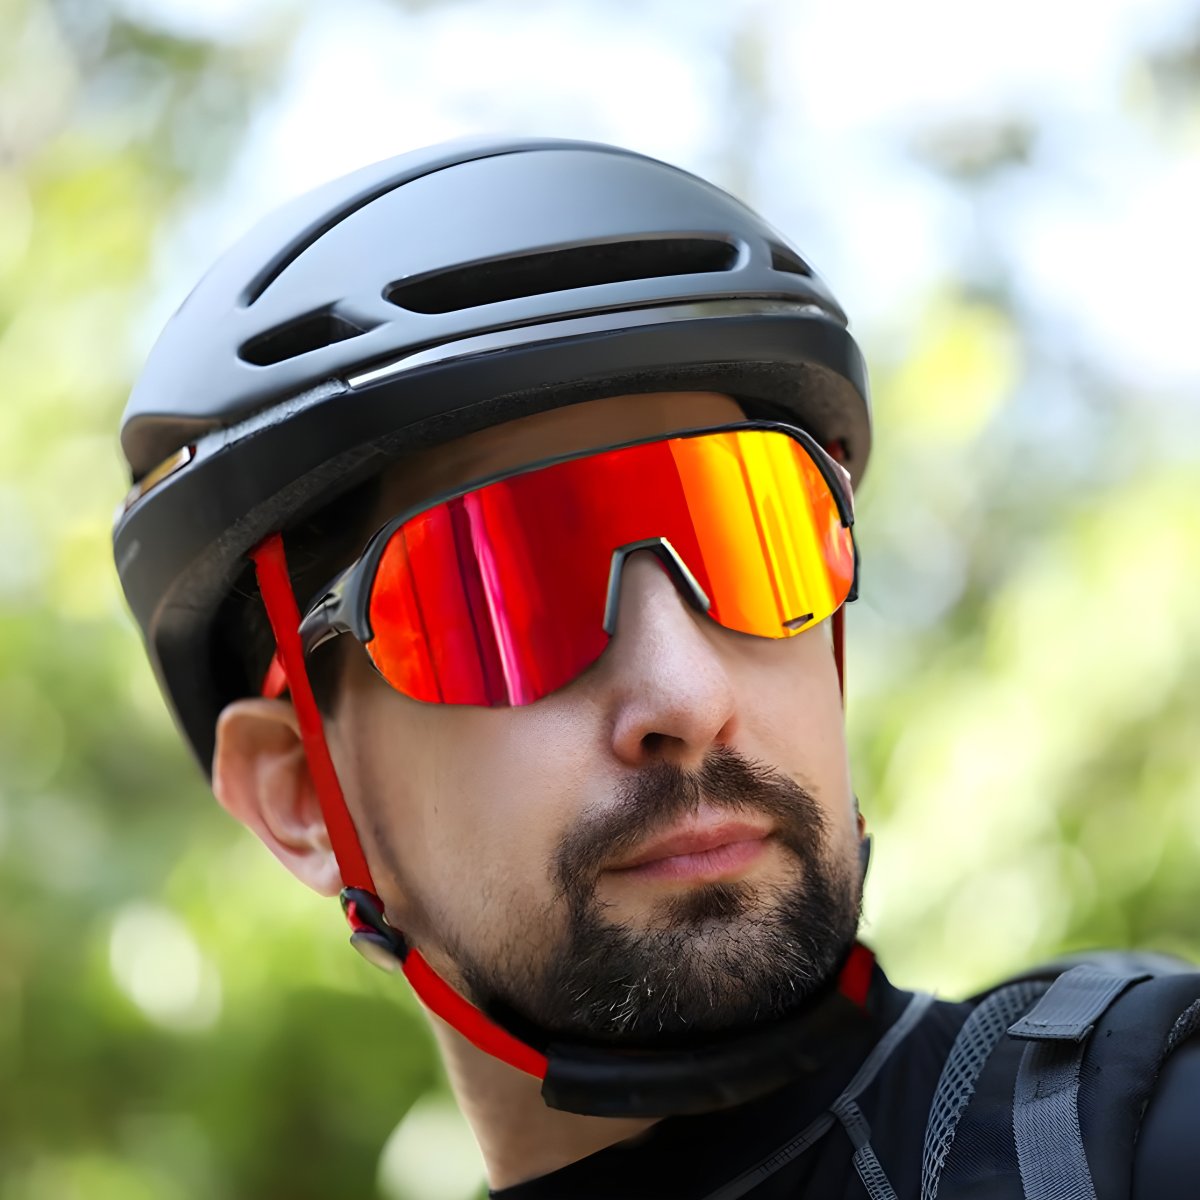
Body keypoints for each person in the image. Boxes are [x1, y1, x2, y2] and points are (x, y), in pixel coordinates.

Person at [113, 136, 1200, 1198]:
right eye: (499, 599)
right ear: (303, 796)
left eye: (752, 543)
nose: (689, 697)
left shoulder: (1134, 1128)